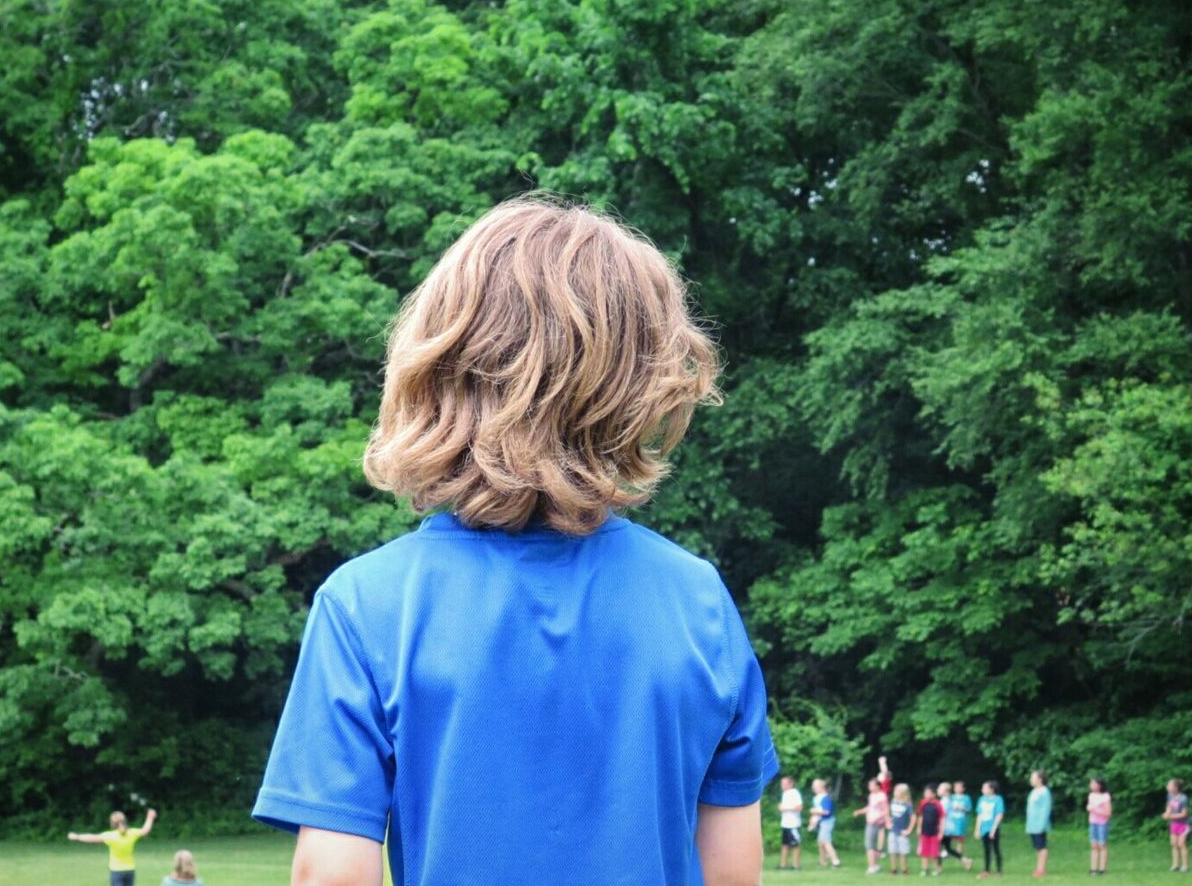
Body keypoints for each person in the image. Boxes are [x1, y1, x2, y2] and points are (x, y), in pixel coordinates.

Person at [250, 197, 777, 886]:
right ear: (639, 382)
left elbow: (332, 875)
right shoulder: (696, 599)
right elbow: (732, 875)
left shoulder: (367, 605)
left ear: (442, 365)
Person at [68, 808, 158, 886]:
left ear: (112, 823)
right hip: (130, 870)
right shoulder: (132, 833)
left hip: (117, 871)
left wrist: (77, 837)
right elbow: (145, 830)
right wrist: (150, 818)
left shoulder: (110, 836)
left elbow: (93, 838)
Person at [854, 776, 889, 874]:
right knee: (871, 845)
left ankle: (871, 866)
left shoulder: (882, 796)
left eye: (872, 785)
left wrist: (876, 819)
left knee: (869, 845)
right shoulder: (871, 796)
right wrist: (860, 811)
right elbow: (870, 808)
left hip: (876, 823)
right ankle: (875, 865)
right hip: (870, 822)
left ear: (878, 786)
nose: (870, 787)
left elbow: (885, 810)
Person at [912, 783, 945, 876]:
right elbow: (921, 816)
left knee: (935, 853)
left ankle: (937, 869)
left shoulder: (938, 804)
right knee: (924, 852)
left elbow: (942, 818)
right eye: (925, 792)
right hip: (925, 831)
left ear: (934, 794)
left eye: (928, 793)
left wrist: (941, 832)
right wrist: (918, 827)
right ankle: (924, 869)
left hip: (935, 832)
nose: (926, 794)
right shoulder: (923, 803)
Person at [974, 780, 1005, 879]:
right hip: (984, 828)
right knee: (986, 850)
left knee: (996, 849)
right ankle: (986, 870)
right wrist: (977, 829)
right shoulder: (981, 799)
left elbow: (999, 814)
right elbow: (979, 815)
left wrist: (994, 829)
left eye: (985, 787)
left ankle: (999, 870)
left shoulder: (998, 799)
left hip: (993, 828)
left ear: (991, 789)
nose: (982, 789)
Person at [943, 779, 974, 870]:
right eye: (955, 787)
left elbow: (969, 810)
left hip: (961, 821)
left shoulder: (966, 798)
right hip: (951, 822)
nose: (956, 788)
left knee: (960, 840)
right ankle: (951, 853)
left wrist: (962, 808)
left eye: (959, 787)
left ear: (963, 788)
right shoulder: (951, 797)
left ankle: (960, 857)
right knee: (949, 839)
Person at [1027, 770, 1052, 878]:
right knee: (1037, 847)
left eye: (1033, 777)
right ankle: (1038, 867)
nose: (1031, 779)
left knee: (1042, 846)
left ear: (1040, 779)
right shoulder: (1033, 791)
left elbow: (1046, 808)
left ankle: (1041, 869)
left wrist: (1042, 824)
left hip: (1040, 824)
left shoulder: (1044, 791)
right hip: (1032, 824)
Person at [810, 778, 841, 868]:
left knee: (826, 842)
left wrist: (814, 811)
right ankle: (823, 860)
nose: (813, 788)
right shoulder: (816, 798)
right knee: (820, 842)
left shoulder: (826, 798)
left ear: (821, 787)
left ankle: (836, 861)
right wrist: (813, 821)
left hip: (827, 822)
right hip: (821, 822)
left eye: (815, 786)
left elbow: (827, 812)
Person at [887, 784, 914, 876]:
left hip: (902, 832)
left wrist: (909, 829)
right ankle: (893, 869)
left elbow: (913, 817)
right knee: (893, 851)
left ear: (902, 793)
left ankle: (904, 869)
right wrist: (888, 822)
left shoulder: (907, 805)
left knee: (903, 852)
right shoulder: (893, 802)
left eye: (896, 791)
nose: (894, 792)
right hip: (893, 831)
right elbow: (887, 812)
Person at [780, 776, 805, 870]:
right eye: (782, 783)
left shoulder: (795, 793)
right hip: (785, 823)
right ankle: (783, 865)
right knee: (784, 844)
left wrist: (785, 808)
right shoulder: (785, 793)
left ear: (791, 784)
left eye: (784, 783)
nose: (782, 785)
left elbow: (799, 807)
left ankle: (796, 865)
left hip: (793, 824)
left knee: (795, 844)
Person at [1087, 777, 1111, 875]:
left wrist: (1094, 809)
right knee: (1094, 845)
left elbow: (1108, 813)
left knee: (1102, 845)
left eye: (1093, 783)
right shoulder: (1091, 795)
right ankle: (1093, 868)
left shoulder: (1105, 796)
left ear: (1099, 785)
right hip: (1093, 823)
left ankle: (1102, 869)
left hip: (1102, 823)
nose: (1091, 785)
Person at [1165, 778, 1189, 873]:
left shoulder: (1183, 798)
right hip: (1174, 823)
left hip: (1184, 824)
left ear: (1175, 788)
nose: (1167, 787)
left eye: (1169, 785)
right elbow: (1169, 806)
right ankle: (1175, 865)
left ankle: (1185, 866)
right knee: (1174, 844)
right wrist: (1167, 813)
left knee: (1181, 844)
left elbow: (1184, 814)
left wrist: (1171, 815)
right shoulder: (1169, 796)